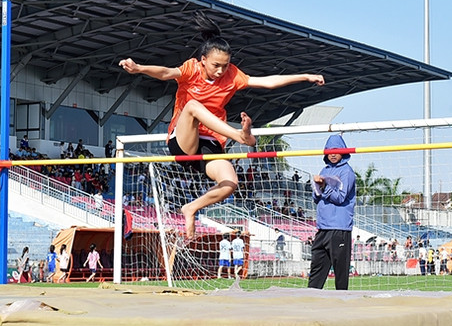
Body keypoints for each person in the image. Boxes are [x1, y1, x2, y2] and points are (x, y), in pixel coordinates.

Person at [119, 12, 324, 239]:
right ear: (203, 60)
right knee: (193, 106)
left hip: (211, 142)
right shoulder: (191, 69)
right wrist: (139, 68)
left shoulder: (232, 75)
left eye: (225, 66)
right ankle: (241, 137)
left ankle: (191, 208)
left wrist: (305, 76)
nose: (220, 71)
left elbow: (267, 82)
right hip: (184, 140)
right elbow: (167, 72)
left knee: (230, 182)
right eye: (216, 65)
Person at [308, 134, 356, 290]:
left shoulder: (347, 172)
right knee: (316, 270)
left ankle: (342, 302)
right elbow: (317, 197)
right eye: (329, 151)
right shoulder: (325, 170)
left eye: (336, 150)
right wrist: (317, 188)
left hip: (339, 229)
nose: (333, 154)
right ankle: (310, 299)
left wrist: (324, 186)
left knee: (340, 274)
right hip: (323, 228)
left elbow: (340, 197)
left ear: (343, 151)